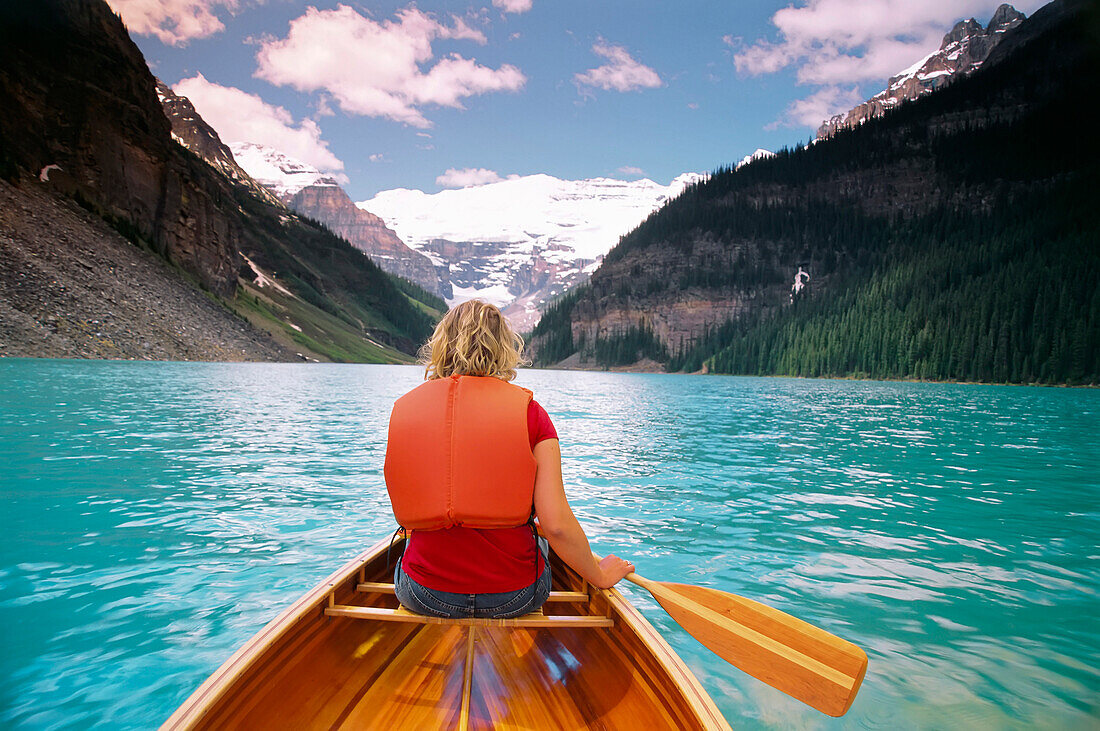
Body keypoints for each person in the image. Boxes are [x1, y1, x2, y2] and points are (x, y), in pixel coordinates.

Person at [385, 300, 634, 619]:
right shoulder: (532, 414)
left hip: (426, 594)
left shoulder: (405, 412)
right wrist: (598, 575)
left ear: (440, 346)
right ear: (503, 347)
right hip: (513, 596)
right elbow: (555, 525)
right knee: (542, 544)